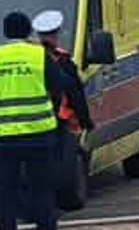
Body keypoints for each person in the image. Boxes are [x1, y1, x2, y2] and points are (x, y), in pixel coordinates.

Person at [0, 11, 81, 230]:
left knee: (5, 201)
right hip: (39, 138)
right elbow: (60, 88)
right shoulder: (38, 56)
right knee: (43, 200)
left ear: (5, 31)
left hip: (4, 140)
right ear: (28, 31)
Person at [31, 10, 95, 176]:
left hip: (28, 124)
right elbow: (75, 94)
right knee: (62, 166)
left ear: (37, 35)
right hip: (59, 121)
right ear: (56, 34)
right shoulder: (63, 61)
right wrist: (86, 122)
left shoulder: (28, 59)